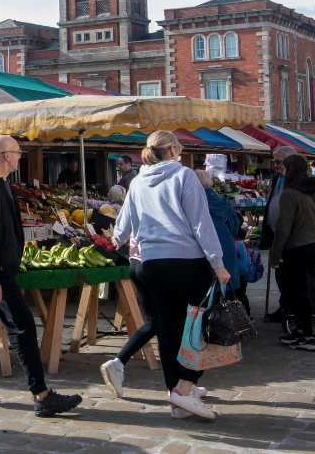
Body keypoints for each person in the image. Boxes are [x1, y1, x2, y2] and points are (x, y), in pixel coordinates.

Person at [0, 137, 81, 417]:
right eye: (18, 153)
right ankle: (42, 395)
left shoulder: (1, 183)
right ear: (6, 155)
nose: (21, 157)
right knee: (23, 327)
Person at [102, 130, 225, 417]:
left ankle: (177, 399)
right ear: (170, 150)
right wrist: (217, 262)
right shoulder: (184, 176)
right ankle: (184, 388)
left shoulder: (139, 180)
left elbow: (122, 227)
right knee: (200, 327)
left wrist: (119, 240)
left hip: (152, 263)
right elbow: (200, 223)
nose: (180, 152)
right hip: (186, 261)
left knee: (168, 331)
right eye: (179, 148)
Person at [270, 153, 315, 353]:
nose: (281, 171)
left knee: (298, 292)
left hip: (298, 248)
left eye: (283, 167)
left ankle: (308, 337)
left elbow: (283, 227)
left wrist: (275, 255)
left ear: (290, 170)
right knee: (298, 289)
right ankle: (301, 330)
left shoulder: (290, 194)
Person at [197, 171, 249, 314]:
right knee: (229, 290)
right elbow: (234, 227)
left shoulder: (195, 202)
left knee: (205, 292)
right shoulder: (222, 201)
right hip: (226, 247)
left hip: (202, 250)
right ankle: (234, 320)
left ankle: (209, 322)